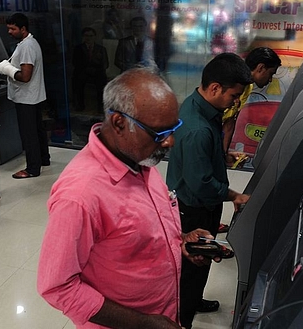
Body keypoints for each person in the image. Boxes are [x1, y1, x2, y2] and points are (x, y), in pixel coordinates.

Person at [37, 68, 214, 329]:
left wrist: (180, 241)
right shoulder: (80, 196)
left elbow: (136, 234)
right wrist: (144, 324)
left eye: (173, 129)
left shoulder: (139, 157)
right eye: (159, 134)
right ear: (120, 123)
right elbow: (57, 287)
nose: (170, 142)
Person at [166, 53, 253, 329]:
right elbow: (201, 183)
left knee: (198, 267)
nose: (236, 101)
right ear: (215, 88)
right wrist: (234, 195)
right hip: (194, 210)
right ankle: (183, 320)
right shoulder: (198, 129)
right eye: (234, 95)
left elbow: (200, 160)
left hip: (194, 201)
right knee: (192, 269)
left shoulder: (197, 105)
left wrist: (220, 157)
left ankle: (194, 299)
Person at [217, 47, 281, 233]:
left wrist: (223, 155)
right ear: (260, 68)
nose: (269, 80)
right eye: (270, 74)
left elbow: (230, 122)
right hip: (207, 134)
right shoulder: (233, 84)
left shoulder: (247, 87)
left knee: (219, 179)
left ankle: (213, 222)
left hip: (217, 136)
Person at [0, 13, 50, 179]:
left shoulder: (26, 47)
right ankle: (43, 159)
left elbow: (25, 76)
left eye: (13, 29)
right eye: (8, 29)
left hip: (26, 98)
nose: (10, 32)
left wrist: (7, 70)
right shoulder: (30, 43)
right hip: (34, 96)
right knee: (38, 129)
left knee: (29, 133)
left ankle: (32, 168)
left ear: (23, 29)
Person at [72, 27, 109, 112]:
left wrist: (95, 69)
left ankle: (100, 106)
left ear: (95, 36)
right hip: (83, 71)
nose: (88, 38)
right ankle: (80, 105)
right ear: (83, 37)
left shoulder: (101, 49)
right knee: (78, 80)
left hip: (97, 72)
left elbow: (105, 64)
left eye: (91, 36)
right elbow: (75, 62)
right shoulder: (78, 48)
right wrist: (86, 69)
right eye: (86, 35)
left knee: (101, 80)